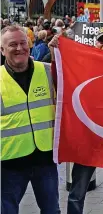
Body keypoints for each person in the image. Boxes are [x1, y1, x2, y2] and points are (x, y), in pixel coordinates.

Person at [48, 27, 103, 214]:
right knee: (77, 192)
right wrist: (54, 54)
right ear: (95, 43)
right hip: (87, 138)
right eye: (102, 41)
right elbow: (61, 80)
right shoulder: (83, 64)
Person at [1, 25, 60, 214]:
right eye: (12, 45)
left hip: (45, 159)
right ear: (2, 50)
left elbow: (80, 79)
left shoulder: (49, 71)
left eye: (23, 43)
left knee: (51, 210)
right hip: (10, 162)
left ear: (30, 44)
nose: (19, 48)